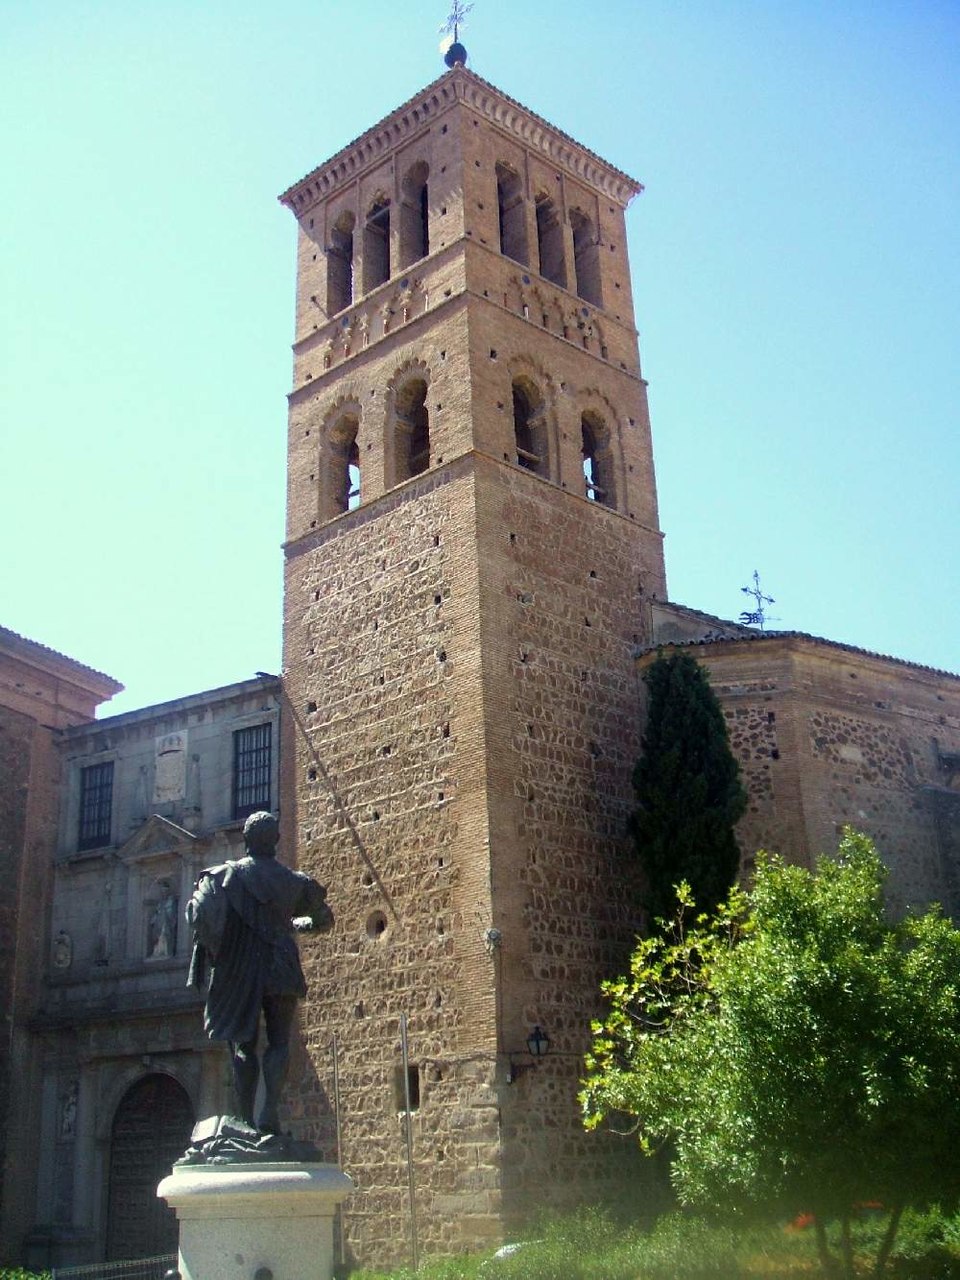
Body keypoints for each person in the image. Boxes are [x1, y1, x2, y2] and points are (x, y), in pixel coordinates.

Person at [186, 811, 333, 1134]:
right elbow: (325, 921)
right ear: (277, 841)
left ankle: (246, 1118)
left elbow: (199, 916)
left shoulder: (225, 877)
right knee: (280, 1041)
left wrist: (216, 951)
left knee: (244, 1045)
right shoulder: (297, 883)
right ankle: (269, 1113)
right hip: (282, 965)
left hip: (242, 968)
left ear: (246, 841)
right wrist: (296, 924)